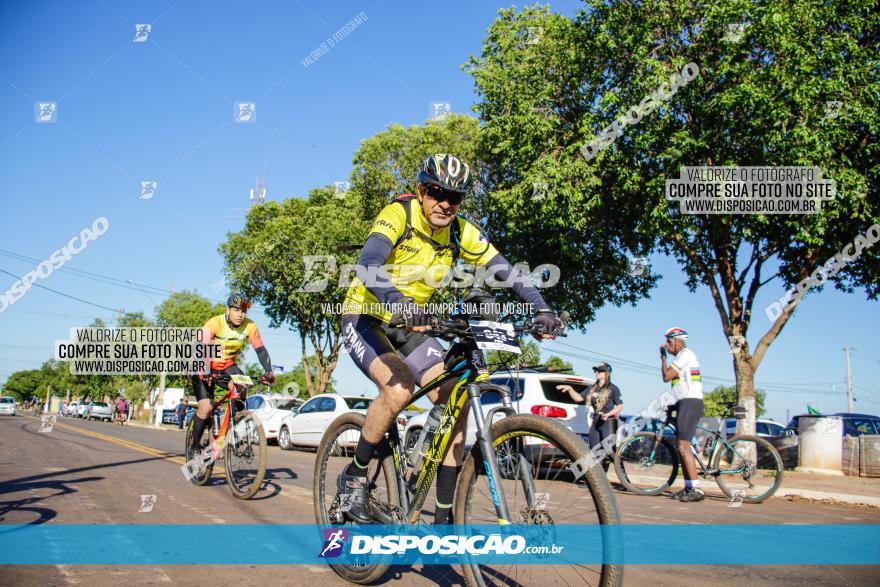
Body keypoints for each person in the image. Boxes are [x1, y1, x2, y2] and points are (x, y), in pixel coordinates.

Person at [336, 154, 564, 524]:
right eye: (436, 192)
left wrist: (542, 308)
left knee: (455, 398)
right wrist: (398, 302)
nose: (444, 203)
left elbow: (507, 271)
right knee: (398, 390)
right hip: (366, 317)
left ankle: (443, 519)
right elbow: (368, 263)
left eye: (454, 197)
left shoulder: (462, 231)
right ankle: (354, 477)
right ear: (421, 190)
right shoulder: (399, 215)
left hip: (413, 324)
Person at [190, 293, 275, 464]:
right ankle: (194, 446)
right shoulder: (215, 323)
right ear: (227, 309)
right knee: (206, 407)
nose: (240, 314)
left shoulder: (250, 326)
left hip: (227, 366)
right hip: (202, 364)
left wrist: (268, 371)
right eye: (236, 310)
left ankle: (232, 426)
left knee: (242, 387)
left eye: (243, 310)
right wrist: (204, 369)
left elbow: (260, 349)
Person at [660, 327, 704, 502]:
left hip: (690, 401)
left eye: (670, 342)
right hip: (684, 401)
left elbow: (666, 376)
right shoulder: (681, 357)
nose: (668, 346)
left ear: (678, 341)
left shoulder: (686, 354)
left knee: (684, 446)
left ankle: (697, 489)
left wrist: (662, 357)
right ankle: (688, 487)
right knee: (681, 447)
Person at [557, 362, 623, 471]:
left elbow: (620, 406)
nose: (597, 372)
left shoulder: (614, 388)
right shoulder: (592, 388)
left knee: (610, 452)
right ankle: (598, 480)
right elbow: (578, 398)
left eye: (600, 370)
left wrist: (608, 414)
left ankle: (625, 481)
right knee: (594, 453)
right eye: (596, 370)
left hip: (608, 421)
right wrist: (570, 389)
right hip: (596, 421)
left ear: (607, 373)